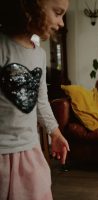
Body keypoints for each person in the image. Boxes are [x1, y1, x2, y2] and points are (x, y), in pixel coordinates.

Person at [0, 0, 70, 199]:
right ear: (30, 7)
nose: (62, 22)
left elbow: (41, 101)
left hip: (31, 150)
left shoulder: (39, 54)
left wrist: (55, 133)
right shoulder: (2, 47)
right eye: (57, 13)